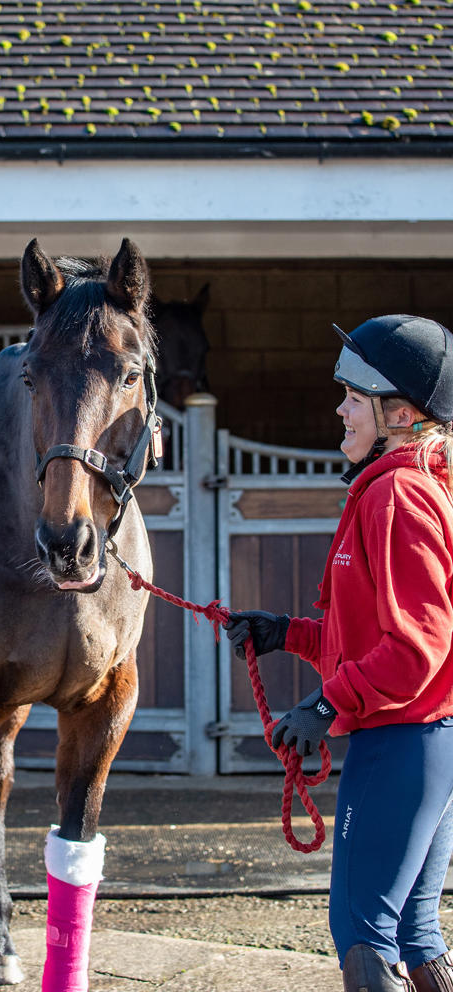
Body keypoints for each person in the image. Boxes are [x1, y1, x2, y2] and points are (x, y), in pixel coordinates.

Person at [225, 314, 453, 992]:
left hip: (399, 747)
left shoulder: (397, 496)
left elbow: (418, 649)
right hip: (426, 743)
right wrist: (286, 634)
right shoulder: (412, 484)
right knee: (416, 936)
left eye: (355, 396)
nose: (339, 408)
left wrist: (325, 703)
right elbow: (374, 636)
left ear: (400, 413)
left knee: (361, 935)